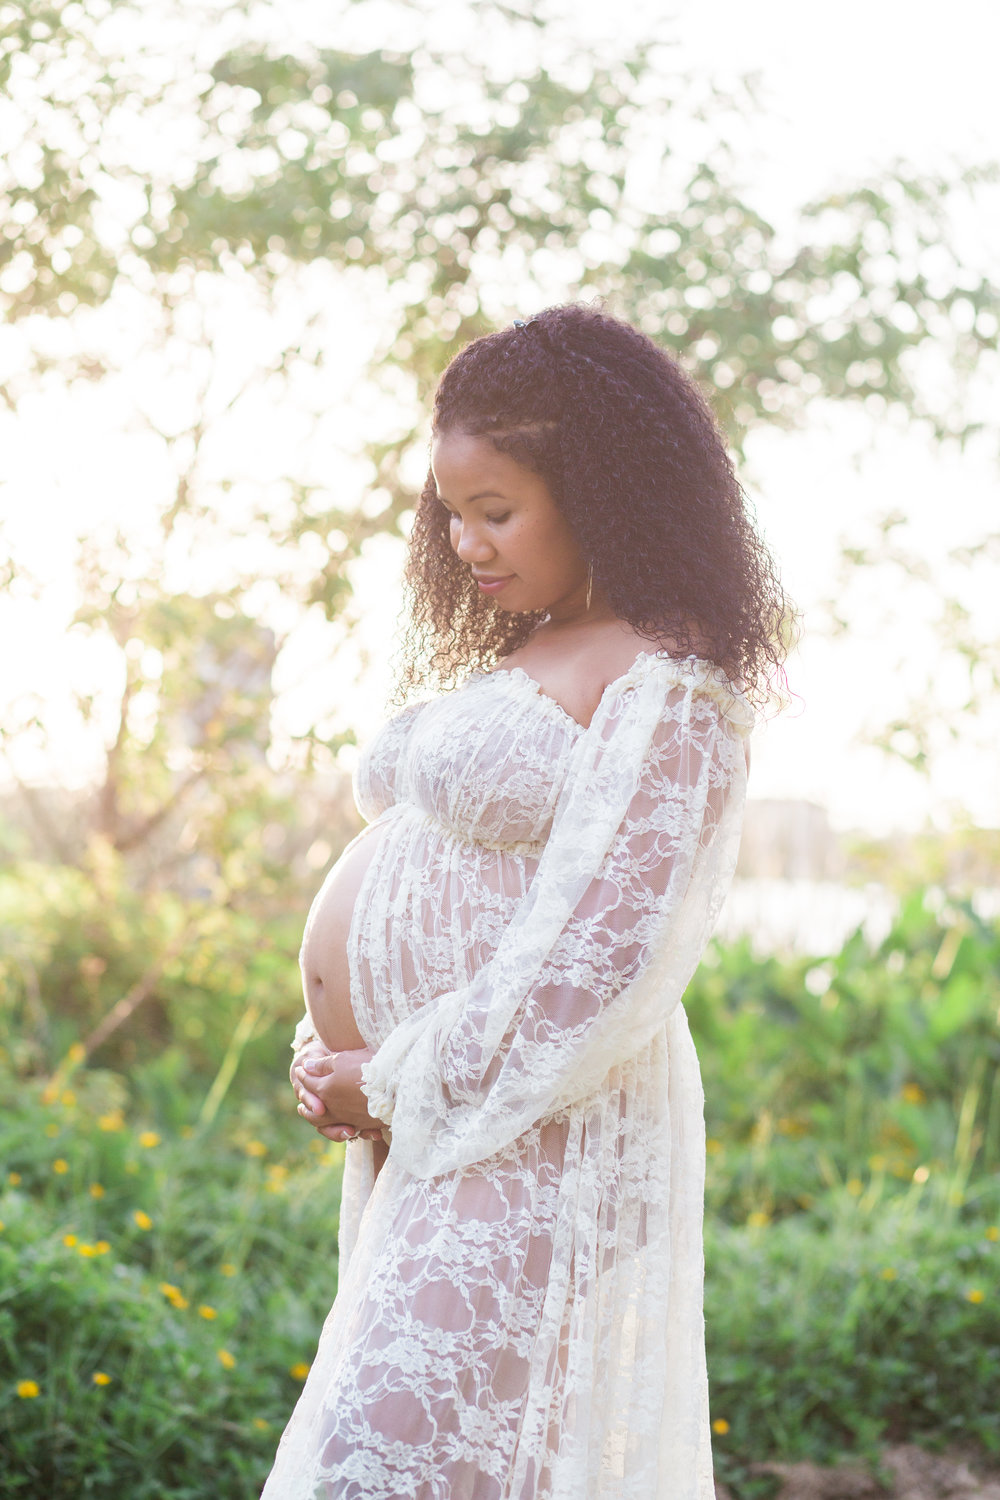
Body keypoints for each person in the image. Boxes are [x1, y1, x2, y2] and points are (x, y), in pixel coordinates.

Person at [263, 304, 788, 1500]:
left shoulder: (671, 678)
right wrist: (332, 1041)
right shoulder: (542, 644)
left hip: (534, 1136)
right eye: (449, 513)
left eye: (494, 512)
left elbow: (600, 962)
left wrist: (386, 1070)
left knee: (381, 1468)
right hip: (441, 1128)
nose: (463, 544)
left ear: (600, 493)